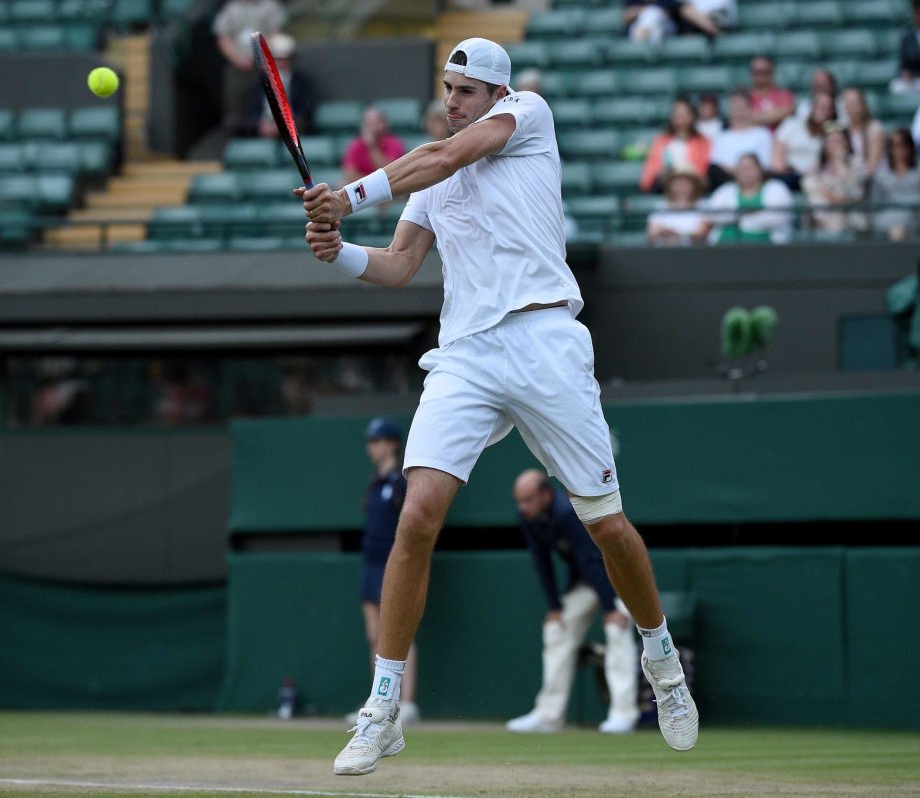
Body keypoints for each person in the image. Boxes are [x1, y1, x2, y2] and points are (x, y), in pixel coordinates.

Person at [298, 36, 698, 776]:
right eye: (446, 89)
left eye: (464, 91)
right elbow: (399, 264)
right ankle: (384, 707)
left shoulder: (528, 116)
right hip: (467, 356)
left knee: (606, 526)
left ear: (495, 95)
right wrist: (343, 252)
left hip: (547, 339)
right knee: (416, 515)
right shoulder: (429, 177)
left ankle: (662, 662)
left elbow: (444, 155)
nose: (451, 101)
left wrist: (347, 195)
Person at [505, 470, 640, 735]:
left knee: (617, 630)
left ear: (545, 494)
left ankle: (623, 715)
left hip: (617, 578)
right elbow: (541, 560)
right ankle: (549, 715)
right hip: (584, 583)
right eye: (519, 501)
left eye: (528, 500)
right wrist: (555, 607)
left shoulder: (568, 513)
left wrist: (611, 609)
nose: (523, 507)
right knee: (557, 629)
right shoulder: (528, 517)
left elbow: (593, 560)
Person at [351, 417, 421, 727]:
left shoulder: (399, 482)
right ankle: (377, 703)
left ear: (392, 443)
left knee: (398, 632)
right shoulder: (374, 482)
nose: (372, 447)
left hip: (393, 564)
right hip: (370, 564)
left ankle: (406, 704)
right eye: (370, 442)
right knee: (373, 636)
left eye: (378, 441)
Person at [213, 0, 286, 133]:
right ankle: (237, 137)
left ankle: (269, 132)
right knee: (235, 108)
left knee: (266, 101)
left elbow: (275, 33)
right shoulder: (231, 8)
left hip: (265, 65)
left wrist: (260, 55)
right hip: (238, 65)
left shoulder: (270, 6)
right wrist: (238, 59)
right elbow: (223, 38)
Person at [708, 153, 794, 244]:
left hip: (765, 246)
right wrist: (752, 214)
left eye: (750, 168)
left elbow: (778, 217)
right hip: (725, 245)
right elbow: (713, 215)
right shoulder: (725, 190)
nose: (746, 173)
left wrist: (738, 217)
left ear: (760, 170)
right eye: (742, 169)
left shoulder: (776, 188)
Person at [242, 33, 315, 139]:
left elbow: (306, 109)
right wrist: (261, 125)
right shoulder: (260, 81)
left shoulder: (301, 81)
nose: (280, 63)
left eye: (284, 59)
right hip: (262, 126)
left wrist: (283, 125)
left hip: (292, 127)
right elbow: (251, 107)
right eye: (276, 59)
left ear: (291, 59)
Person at [871, 128, 920, 240]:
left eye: (904, 145)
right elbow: (875, 206)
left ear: (911, 147)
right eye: (895, 146)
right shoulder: (881, 176)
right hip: (889, 218)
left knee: (903, 224)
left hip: (918, 216)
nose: (900, 150)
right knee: (896, 228)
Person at [802, 123, 869, 235]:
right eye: (831, 141)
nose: (835, 145)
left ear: (847, 143)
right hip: (824, 220)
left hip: (851, 218)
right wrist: (836, 198)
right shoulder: (816, 168)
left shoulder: (857, 163)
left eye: (838, 141)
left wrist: (840, 163)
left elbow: (855, 192)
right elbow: (810, 189)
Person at [639, 97, 711, 193]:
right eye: (677, 113)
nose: (680, 116)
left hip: (693, 186)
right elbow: (650, 173)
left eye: (684, 113)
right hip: (666, 185)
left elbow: (702, 171)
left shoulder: (703, 142)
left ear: (692, 116)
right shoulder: (660, 141)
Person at [771, 91, 837, 191]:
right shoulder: (791, 125)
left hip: (819, 178)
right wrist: (788, 170)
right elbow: (777, 159)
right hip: (789, 175)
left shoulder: (832, 134)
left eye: (828, 108)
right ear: (811, 107)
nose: (823, 111)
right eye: (820, 106)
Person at [708, 90, 774, 188]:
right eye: (735, 108)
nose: (739, 112)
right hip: (728, 180)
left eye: (742, 107)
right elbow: (716, 164)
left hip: (758, 181)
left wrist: (746, 172)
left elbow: (766, 163)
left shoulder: (762, 134)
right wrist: (738, 172)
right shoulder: (721, 137)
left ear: (750, 109)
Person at [646, 168, 712, 245]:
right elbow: (651, 233)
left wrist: (678, 235)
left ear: (693, 185)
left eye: (685, 182)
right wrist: (666, 234)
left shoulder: (704, 205)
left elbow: (702, 232)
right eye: (677, 182)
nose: (681, 186)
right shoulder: (661, 206)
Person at [342, 106, 406, 184]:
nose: (371, 128)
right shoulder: (355, 145)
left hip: (389, 187)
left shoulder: (394, 143)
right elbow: (350, 173)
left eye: (375, 123)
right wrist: (370, 185)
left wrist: (373, 147)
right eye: (368, 124)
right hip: (363, 187)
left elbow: (390, 173)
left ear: (384, 124)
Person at [627, 0, 725, 46]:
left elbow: (683, 10)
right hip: (639, 29)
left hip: (666, 29)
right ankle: (643, 45)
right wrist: (644, 10)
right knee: (650, 14)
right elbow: (626, 16)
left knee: (653, 14)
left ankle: (642, 46)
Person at [842, 87, 887, 175]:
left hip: (873, 180)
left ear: (862, 105)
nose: (851, 108)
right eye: (848, 104)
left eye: (854, 103)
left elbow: (872, 167)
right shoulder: (843, 129)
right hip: (851, 178)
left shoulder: (875, 129)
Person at [747, 56, 796, 130]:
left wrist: (754, 117)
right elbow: (740, 117)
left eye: (765, 72)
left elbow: (788, 111)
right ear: (751, 74)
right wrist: (774, 114)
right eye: (757, 72)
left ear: (773, 72)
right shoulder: (745, 97)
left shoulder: (784, 95)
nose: (761, 76)